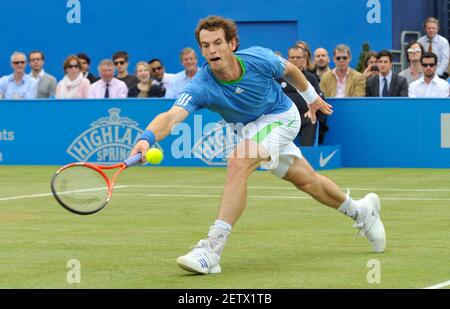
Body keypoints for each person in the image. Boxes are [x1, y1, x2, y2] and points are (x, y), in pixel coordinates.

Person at [129, 16, 386, 275]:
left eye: (218, 42)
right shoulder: (201, 85)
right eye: (205, 45)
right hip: (252, 131)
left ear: (232, 44)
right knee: (308, 181)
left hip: (282, 118)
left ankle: (211, 249)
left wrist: (312, 98)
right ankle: (361, 211)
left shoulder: (258, 59)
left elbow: (290, 70)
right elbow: (172, 116)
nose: (211, 50)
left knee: (239, 161)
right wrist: (145, 138)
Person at [277, 45, 328, 146]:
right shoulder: (279, 77)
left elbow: (319, 98)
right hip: (283, 116)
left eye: (299, 57)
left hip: (304, 115)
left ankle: (307, 154)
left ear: (304, 59)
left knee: (311, 120)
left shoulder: (311, 78)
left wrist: (312, 110)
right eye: (292, 57)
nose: (295, 60)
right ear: (288, 59)